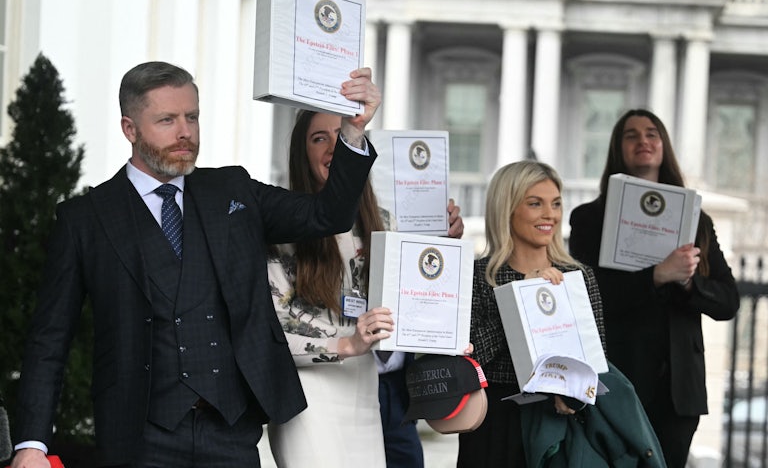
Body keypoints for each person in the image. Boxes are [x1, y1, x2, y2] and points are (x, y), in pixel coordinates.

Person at [10, 61, 380, 468]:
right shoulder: (85, 219)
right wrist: (32, 443)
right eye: (167, 120)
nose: (185, 132)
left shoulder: (233, 190)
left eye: (192, 117)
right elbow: (49, 339)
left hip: (232, 430)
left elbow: (328, 216)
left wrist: (353, 132)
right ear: (129, 129)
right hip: (139, 437)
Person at [266, 109, 465, 468]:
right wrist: (346, 344)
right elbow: (272, 328)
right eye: (319, 138)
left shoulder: (384, 222)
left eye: (340, 136)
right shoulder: (281, 224)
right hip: (308, 393)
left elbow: (412, 302)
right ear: (301, 152)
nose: (332, 149)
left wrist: (442, 248)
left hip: (364, 385)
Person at [568, 108, 740, 468]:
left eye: (652, 133)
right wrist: (656, 275)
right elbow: (586, 298)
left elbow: (728, 302)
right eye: (631, 135)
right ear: (618, 148)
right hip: (619, 376)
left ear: (663, 146)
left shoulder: (697, 219)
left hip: (679, 389)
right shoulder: (588, 219)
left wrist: (690, 280)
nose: (643, 141)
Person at [457, 160, 607, 467]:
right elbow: (470, 358)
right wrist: (519, 300)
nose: (549, 214)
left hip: (559, 424)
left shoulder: (578, 276)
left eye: (555, 204)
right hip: (494, 425)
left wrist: (574, 398)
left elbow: (596, 361)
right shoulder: (477, 275)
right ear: (507, 209)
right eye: (535, 204)